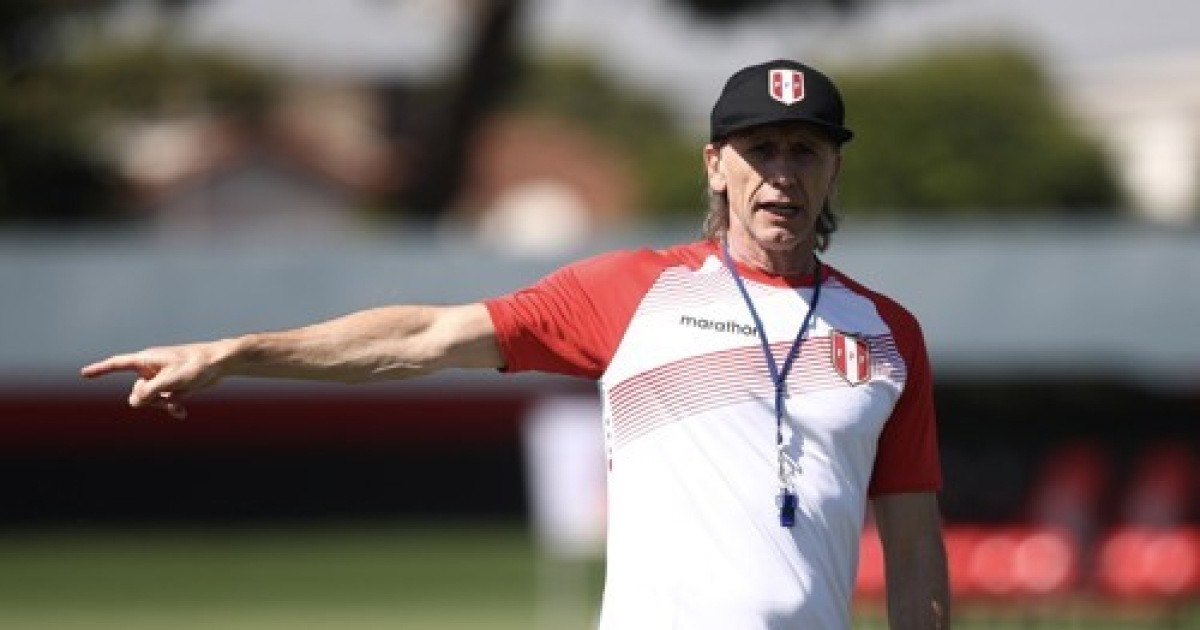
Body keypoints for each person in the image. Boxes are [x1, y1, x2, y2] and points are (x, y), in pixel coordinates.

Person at [82, 59, 950, 629]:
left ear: (834, 168)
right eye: (761, 149)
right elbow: (423, 335)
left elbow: (913, 548)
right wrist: (239, 352)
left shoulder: (887, 335)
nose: (783, 173)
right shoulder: (631, 292)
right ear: (716, 164)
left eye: (805, 150)